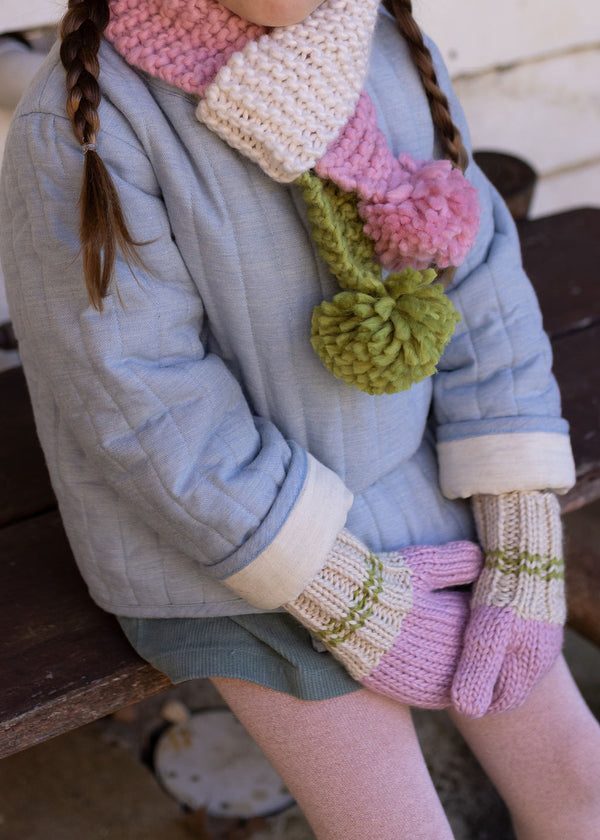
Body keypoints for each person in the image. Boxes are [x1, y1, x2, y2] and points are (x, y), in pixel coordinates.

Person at [1, 0, 599, 837]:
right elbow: (145, 403)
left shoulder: (379, 42)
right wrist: (348, 597)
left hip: (408, 476)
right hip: (231, 546)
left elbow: (479, 286)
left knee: (579, 777)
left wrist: (521, 523)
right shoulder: (92, 120)